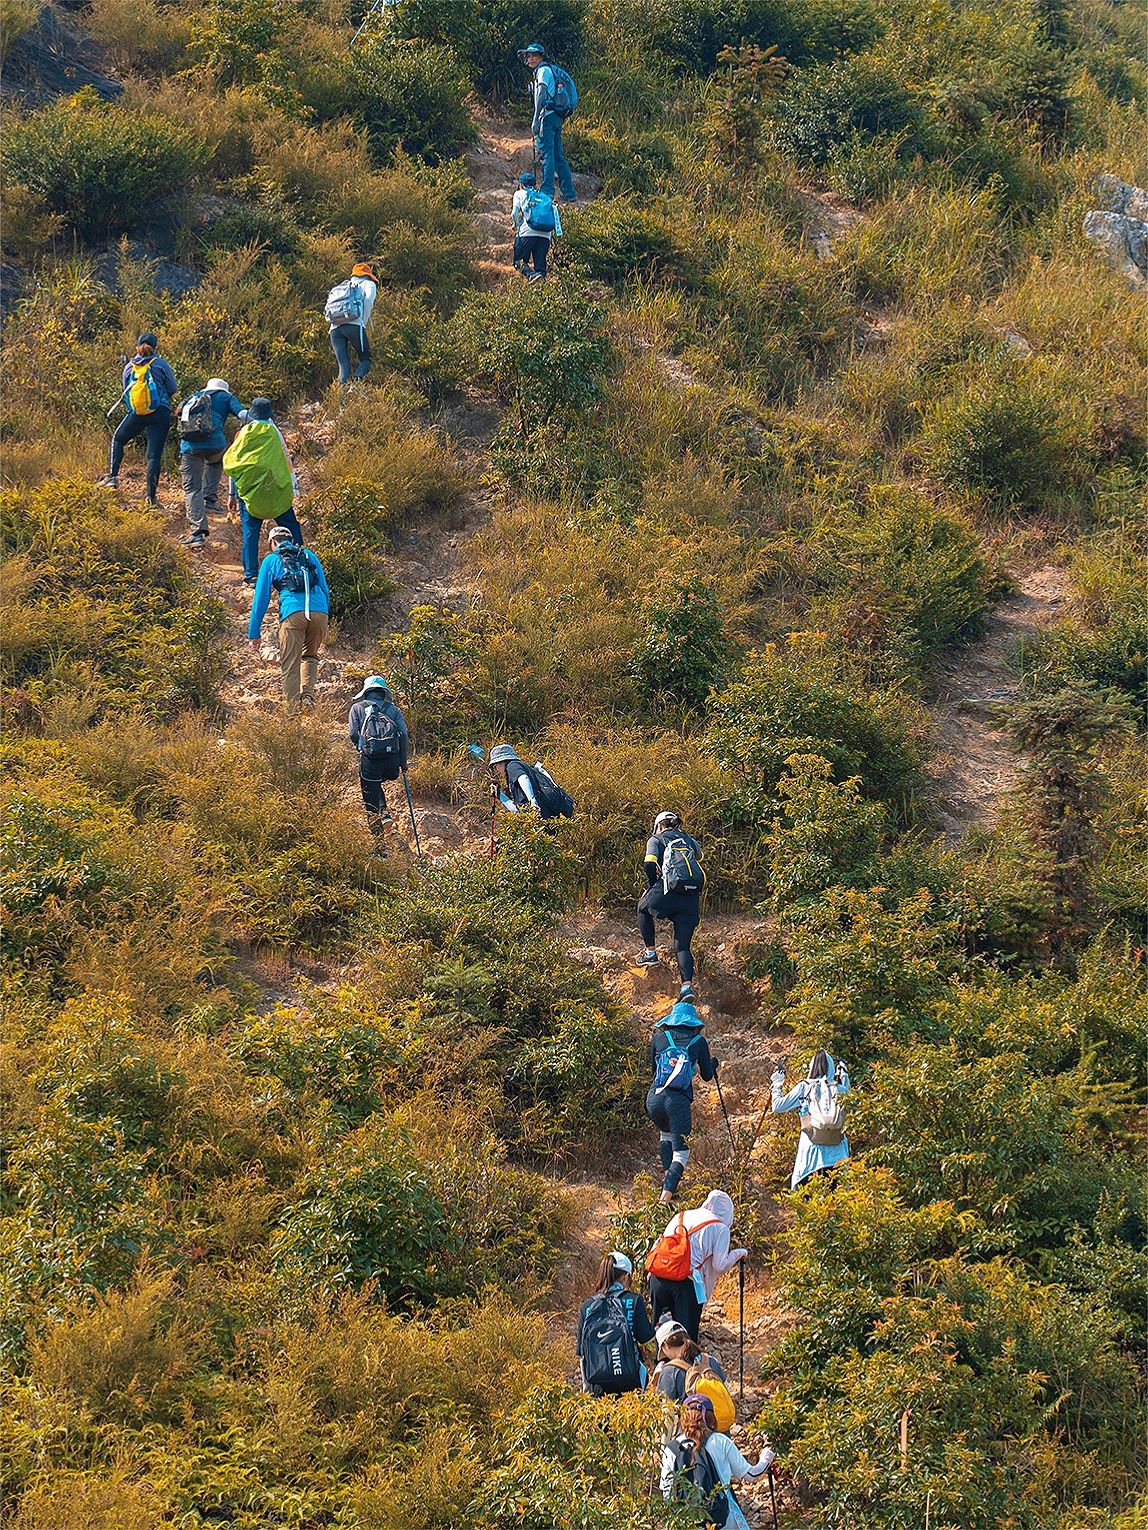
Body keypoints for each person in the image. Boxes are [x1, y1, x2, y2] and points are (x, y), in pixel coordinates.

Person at [661, 1394, 775, 1530]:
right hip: (723, 1519)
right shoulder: (720, 1441)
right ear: (710, 1417)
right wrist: (767, 1455)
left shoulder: (671, 1449)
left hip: (687, 1522)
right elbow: (751, 1474)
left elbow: (667, 1494)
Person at [247, 525, 330, 714]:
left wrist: (254, 632)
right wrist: (324, 615)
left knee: (290, 663)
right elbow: (325, 589)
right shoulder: (309, 555)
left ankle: (293, 714)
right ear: (291, 541)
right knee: (310, 656)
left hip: (293, 613)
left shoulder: (271, 560)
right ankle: (307, 696)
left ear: (273, 542)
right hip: (320, 612)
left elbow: (261, 598)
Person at [222, 399, 305, 586]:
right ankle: (301, 563)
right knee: (292, 526)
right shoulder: (275, 433)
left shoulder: (243, 434)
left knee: (250, 532)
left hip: (250, 493)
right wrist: (291, 486)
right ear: (269, 415)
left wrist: (232, 494)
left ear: (252, 414)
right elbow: (284, 461)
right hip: (275, 490)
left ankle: (251, 575)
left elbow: (234, 466)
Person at [647, 1190, 746, 1343]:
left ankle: (660, 1358)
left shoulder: (681, 1216)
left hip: (658, 1279)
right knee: (685, 1341)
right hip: (685, 1284)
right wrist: (739, 1253)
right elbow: (719, 1265)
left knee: (662, 1337)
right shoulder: (720, 1228)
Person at [646, 999, 717, 1205]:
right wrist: (713, 1063)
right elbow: (707, 1076)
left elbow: (653, 1071)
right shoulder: (698, 1041)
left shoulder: (659, 1037)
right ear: (693, 1023)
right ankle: (663, 1201)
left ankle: (670, 1186)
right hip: (677, 1101)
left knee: (666, 1134)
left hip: (654, 1098)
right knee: (682, 1153)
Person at [636, 811, 705, 1001]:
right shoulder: (689, 841)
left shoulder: (656, 840)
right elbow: (699, 857)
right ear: (676, 825)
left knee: (642, 908)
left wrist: (652, 886)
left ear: (659, 825)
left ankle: (650, 953)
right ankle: (686, 988)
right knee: (682, 947)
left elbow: (649, 863)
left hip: (667, 890)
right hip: (690, 897)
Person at [104, 332, 178, 504]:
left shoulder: (129, 366)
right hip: (160, 412)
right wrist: (161, 398)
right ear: (155, 347)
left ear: (137, 346)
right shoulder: (161, 364)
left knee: (118, 439)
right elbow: (173, 387)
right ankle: (151, 498)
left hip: (137, 413)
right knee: (153, 456)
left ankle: (112, 478)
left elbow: (126, 390)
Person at [177, 378, 247, 547]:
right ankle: (210, 499)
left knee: (192, 488)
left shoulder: (194, 396)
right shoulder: (226, 397)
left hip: (189, 446)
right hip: (215, 445)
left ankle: (198, 533)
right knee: (216, 462)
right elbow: (242, 414)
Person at [576, 1251, 656, 1395]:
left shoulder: (587, 1306)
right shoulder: (634, 1300)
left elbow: (581, 1352)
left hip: (597, 1383)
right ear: (625, 1277)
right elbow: (645, 1337)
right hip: (630, 1380)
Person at [771, 1050, 852, 1189]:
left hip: (810, 1156)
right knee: (836, 1197)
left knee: (809, 1197)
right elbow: (850, 1099)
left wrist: (777, 1083)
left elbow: (777, 1106)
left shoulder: (805, 1087)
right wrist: (844, 1075)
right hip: (837, 1158)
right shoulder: (839, 1089)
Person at [348, 675, 409, 846]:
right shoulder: (393, 709)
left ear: (366, 692)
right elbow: (403, 735)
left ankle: (379, 846)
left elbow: (352, 734)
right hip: (392, 764)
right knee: (377, 782)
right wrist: (403, 762)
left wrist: (361, 746)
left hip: (371, 760)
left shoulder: (357, 708)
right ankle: (385, 812)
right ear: (383, 692)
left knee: (370, 801)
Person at [518, 42, 577, 203]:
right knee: (558, 155)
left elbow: (541, 95)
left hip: (547, 118)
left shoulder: (543, 71)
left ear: (541, 57)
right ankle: (569, 193)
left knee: (547, 154)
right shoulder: (548, 70)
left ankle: (547, 192)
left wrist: (535, 119)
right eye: (529, 56)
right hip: (556, 117)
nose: (530, 59)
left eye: (534, 56)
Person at [654, 1323, 730, 1408]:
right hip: (719, 1415)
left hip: (691, 1416)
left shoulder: (669, 1371)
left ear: (666, 1345)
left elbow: (665, 1409)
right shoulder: (710, 1360)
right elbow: (727, 1391)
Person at [487, 744, 573, 819]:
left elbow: (523, 778)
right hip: (544, 818)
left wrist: (533, 802)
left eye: (495, 766)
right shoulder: (518, 774)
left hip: (540, 817)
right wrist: (500, 795)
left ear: (501, 762)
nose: (496, 770)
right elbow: (517, 811)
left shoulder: (512, 765)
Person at [326, 262, 378, 385]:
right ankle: (355, 386)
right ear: (368, 275)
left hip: (335, 328)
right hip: (355, 325)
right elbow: (368, 302)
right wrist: (362, 322)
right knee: (366, 360)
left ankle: (340, 394)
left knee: (343, 366)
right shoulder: (369, 284)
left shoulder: (342, 286)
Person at [512, 171, 562, 281]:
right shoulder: (544, 196)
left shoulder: (519, 193)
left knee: (519, 262)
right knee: (540, 268)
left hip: (528, 232)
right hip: (546, 235)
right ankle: (540, 284)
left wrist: (515, 224)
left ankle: (531, 275)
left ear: (521, 185)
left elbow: (514, 213)